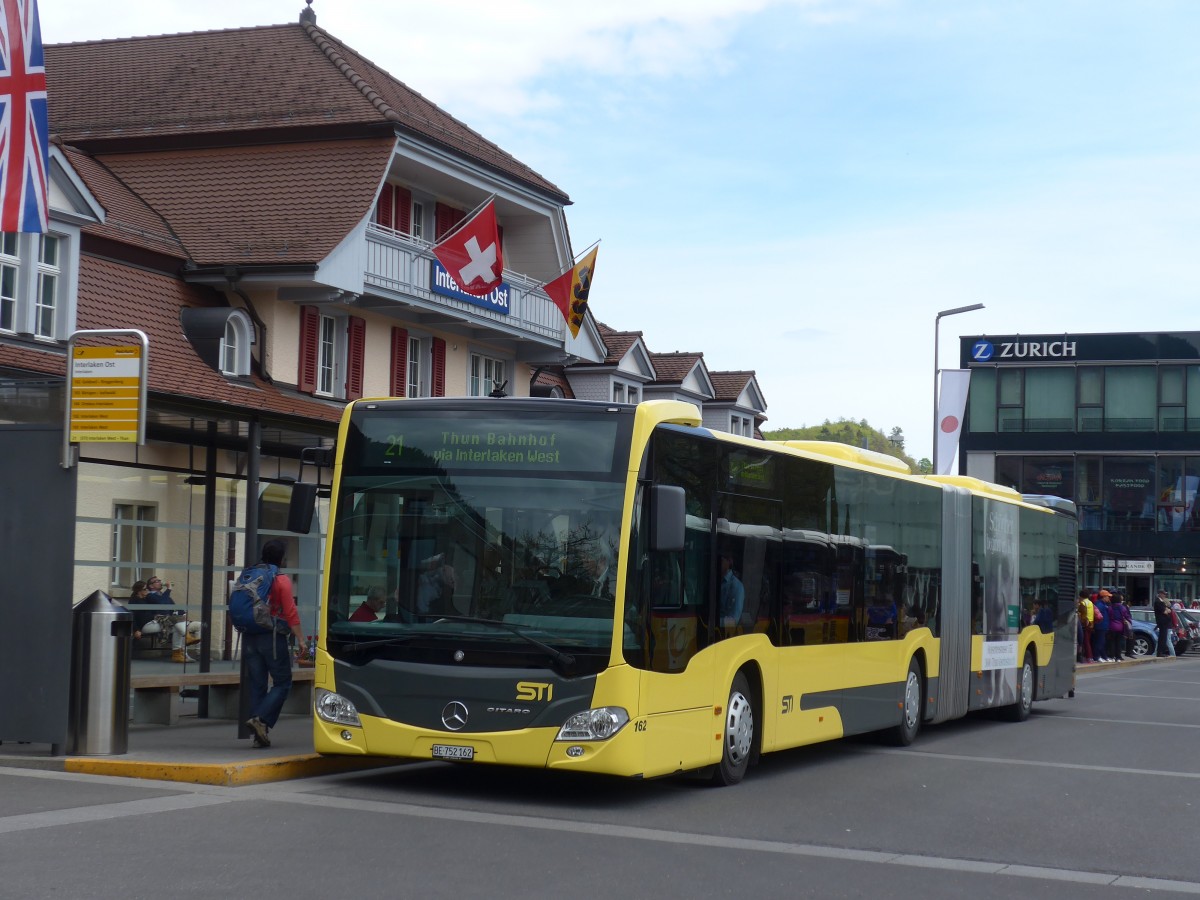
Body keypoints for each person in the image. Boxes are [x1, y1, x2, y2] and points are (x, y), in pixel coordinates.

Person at [244, 540, 307, 749]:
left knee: (258, 684)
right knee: (283, 683)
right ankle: (260, 720)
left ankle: (259, 736)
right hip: (271, 637)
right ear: (282, 559)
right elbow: (290, 612)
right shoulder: (280, 580)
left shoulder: (251, 574)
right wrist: (300, 638)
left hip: (250, 635)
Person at [129, 579, 200, 664]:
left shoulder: (146, 599)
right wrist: (136, 629)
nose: (147, 591)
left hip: (155, 622)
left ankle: (178, 654)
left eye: (147, 589)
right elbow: (131, 616)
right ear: (139, 591)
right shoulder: (134, 601)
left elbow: (167, 605)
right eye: (145, 589)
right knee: (175, 623)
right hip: (145, 625)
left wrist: (182, 614)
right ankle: (184, 643)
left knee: (176, 627)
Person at [718, 552, 744, 628]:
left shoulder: (737, 586)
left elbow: (733, 620)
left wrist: (713, 621)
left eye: (721, 559)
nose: (717, 562)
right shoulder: (713, 581)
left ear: (729, 561)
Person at [1107, 591, 1130, 661]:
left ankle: (1112, 656)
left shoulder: (1110, 608)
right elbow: (1127, 616)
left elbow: (1108, 616)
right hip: (1120, 627)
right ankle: (1118, 656)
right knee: (1118, 642)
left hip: (1112, 626)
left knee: (1111, 642)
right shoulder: (1123, 608)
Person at [1092, 590, 1111, 662]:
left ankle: (1103, 656)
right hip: (1100, 626)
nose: (1108, 598)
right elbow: (1097, 616)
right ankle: (1097, 656)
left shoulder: (1102, 604)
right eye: (1107, 597)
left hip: (1103, 625)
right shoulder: (1100, 605)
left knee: (1102, 642)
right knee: (1099, 642)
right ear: (1103, 597)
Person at [1153, 589, 1173, 658]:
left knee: (1164, 637)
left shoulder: (1162, 602)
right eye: (1163, 594)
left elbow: (1170, 610)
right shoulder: (1158, 602)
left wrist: (1168, 609)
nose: (1165, 595)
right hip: (1162, 621)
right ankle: (1160, 652)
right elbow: (1165, 611)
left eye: (1165, 594)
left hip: (1165, 622)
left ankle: (1162, 652)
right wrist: (1167, 610)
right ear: (1160, 594)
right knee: (1162, 637)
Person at [1076, 589, 1094, 663]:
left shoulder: (1082, 603)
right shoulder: (1090, 602)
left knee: (1084, 641)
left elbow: (1081, 615)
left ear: (1081, 596)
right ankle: (1088, 657)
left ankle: (1088, 657)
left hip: (1084, 624)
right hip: (1091, 623)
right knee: (1087, 641)